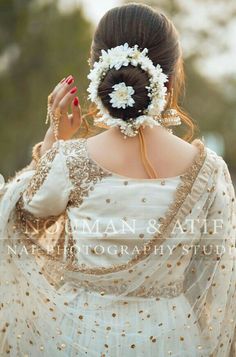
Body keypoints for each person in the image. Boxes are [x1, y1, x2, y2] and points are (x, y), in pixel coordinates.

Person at [0, 3, 235, 357]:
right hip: (174, 337)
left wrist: (54, 138)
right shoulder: (209, 170)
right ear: (170, 79)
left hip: (80, 335)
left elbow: (25, 213)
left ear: (98, 71)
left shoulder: (70, 160)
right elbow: (216, 277)